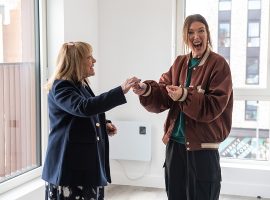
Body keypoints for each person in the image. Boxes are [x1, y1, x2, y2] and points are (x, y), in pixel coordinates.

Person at [132, 14, 233, 200]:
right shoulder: (180, 63)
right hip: (175, 146)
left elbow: (214, 106)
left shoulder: (218, 65)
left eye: (201, 31)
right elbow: (164, 92)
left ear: (208, 34)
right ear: (185, 38)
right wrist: (146, 89)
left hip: (203, 149)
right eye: (191, 32)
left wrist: (185, 95)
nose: (196, 36)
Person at [42, 41, 140, 200]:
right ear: (76, 62)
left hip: (84, 167)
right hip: (69, 169)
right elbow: (83, 107)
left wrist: (103, 124)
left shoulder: (80, 84)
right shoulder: (61, 86)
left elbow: (82, 114)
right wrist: (120, 90)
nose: (94, 61)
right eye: (89, 57)